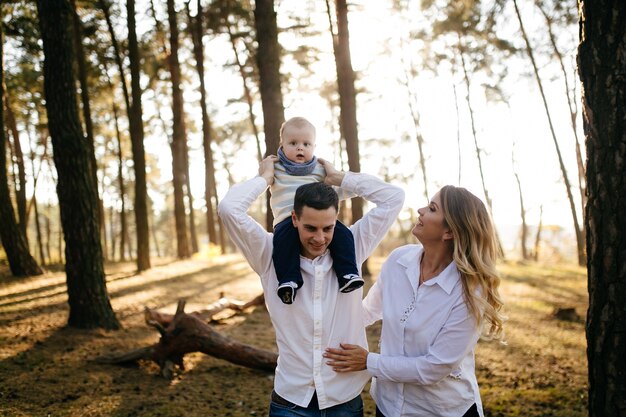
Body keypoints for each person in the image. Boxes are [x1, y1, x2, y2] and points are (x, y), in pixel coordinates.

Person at [218, 155, 405, 416]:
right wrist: (264, 179)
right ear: (294, 218)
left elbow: (394, 197)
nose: (319, 238)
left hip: (345, 398)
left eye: (328, 228)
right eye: (310, 228)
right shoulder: (267, 253)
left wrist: (340, 178)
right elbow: (229, 208)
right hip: (291, 401)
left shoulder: (353, 246)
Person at [323, 186, 505, 417]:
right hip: (388, 406)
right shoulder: (399, 260)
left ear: (449, 231)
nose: (420, 210)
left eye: (431, 209)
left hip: (440, 410)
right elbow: (368, 311)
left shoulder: (470, 293)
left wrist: (368, 361)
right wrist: (322, 320)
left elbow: (433, 368)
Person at [271, 117, 363, 304]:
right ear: (282, 144)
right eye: (293, 143)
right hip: (287, 220)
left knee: (343, 234)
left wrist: (339, 177)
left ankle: (348, 274)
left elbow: (338, 191)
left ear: (314, 146)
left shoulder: (319, 170)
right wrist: (263, 173)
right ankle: (288, 281)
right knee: (282, 243)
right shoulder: (275, 169)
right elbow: (258, 185)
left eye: (306, 144)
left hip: (319, 218)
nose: (300, 148)